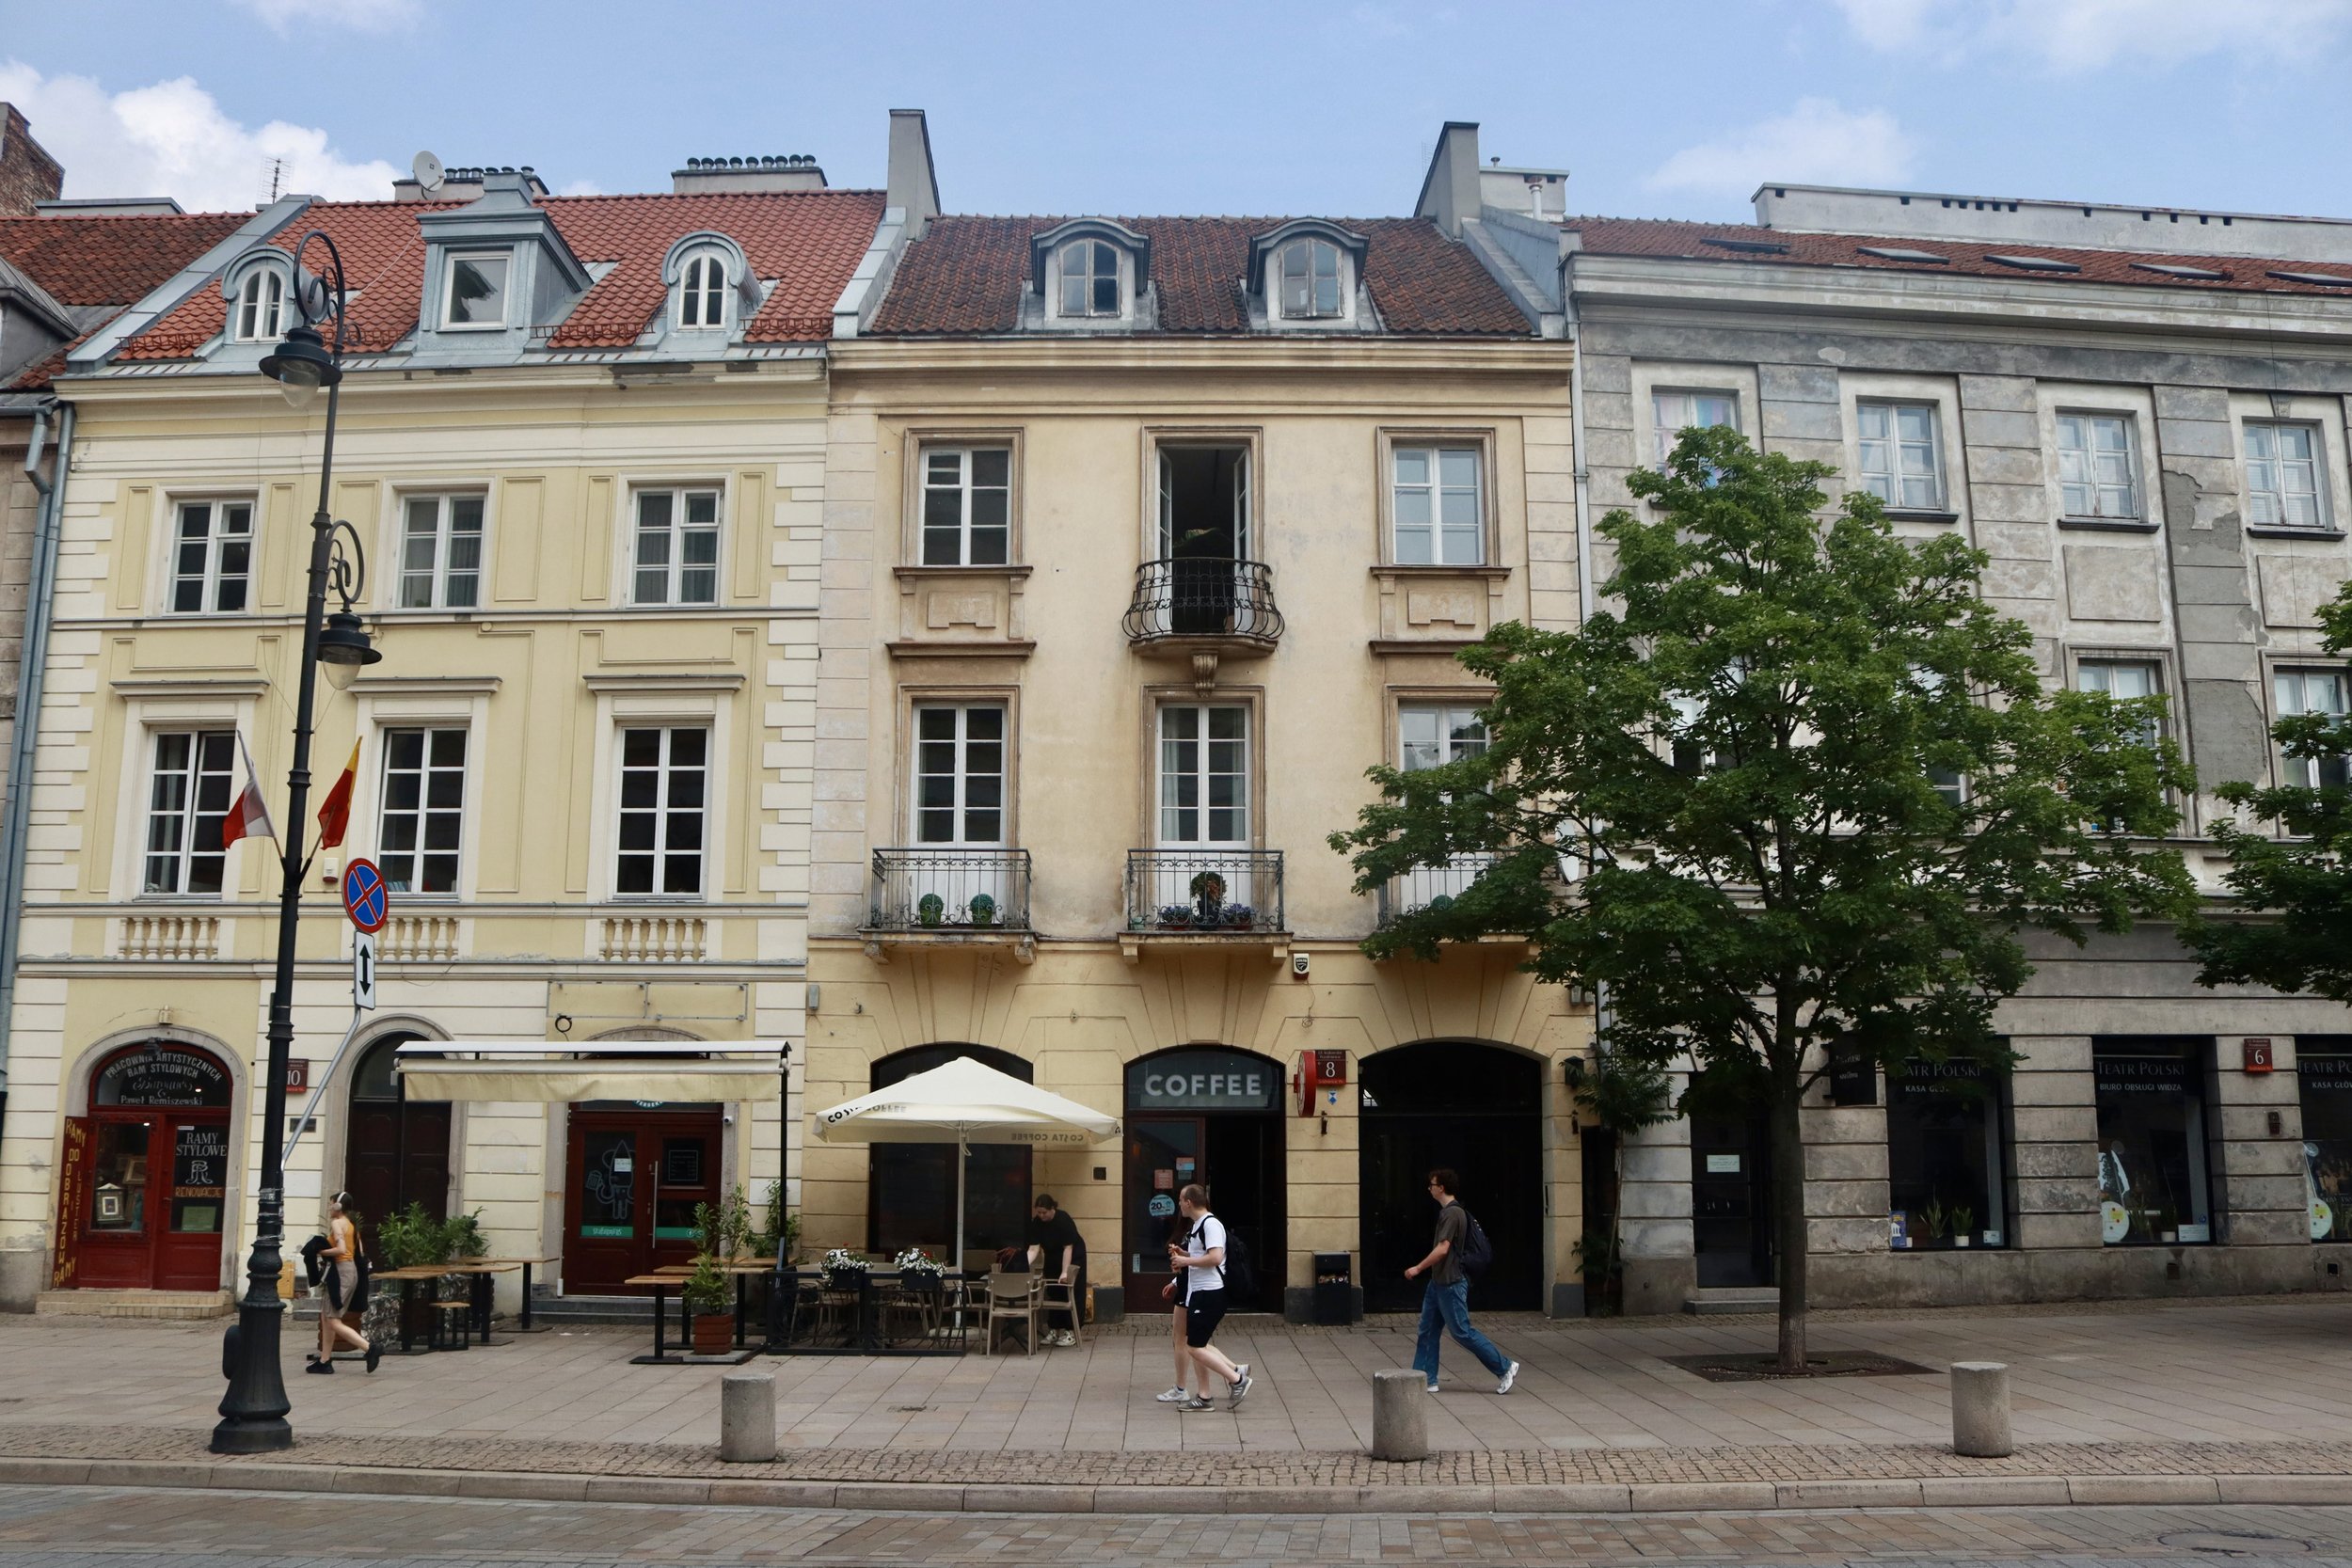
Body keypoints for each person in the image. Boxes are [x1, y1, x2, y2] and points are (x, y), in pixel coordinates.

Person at [1404, 1168, 1517, 1396]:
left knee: (1462, 1332)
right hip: (1439, 1282)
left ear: (1441, 1187)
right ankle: (1424, 1378)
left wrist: (1418, 1267)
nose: (1429, 1188)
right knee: (1427, 1330)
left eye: (1432, 1184)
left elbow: (1443, 1249)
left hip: (1450, 1281)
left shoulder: (1451, 1214)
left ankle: (1504, 1367)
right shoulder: (1452, 1212)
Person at [1167, 1183, 1251, 1411]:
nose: (1179, 1205)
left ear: (1189, 1202)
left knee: (1194, 1348)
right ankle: (1205, 1397)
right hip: (1200, 1293)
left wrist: (1186, 1261)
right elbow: (1203, 1255)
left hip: (1210, 1293)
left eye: (1181, 1200)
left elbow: (1215, 1257)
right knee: (1197, 1345)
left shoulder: (1211, 1224)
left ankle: (1237, 1380)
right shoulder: (1199, 1226)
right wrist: (1184, 1255)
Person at [310, 1191, 380, 1374]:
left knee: (333, 1319)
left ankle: (369, 1348)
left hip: (341, 1272)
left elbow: (340, 1249)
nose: (329, 1207)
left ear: (338, 1206)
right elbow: (359, 1251)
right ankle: (325, 1360)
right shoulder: (352, 1225)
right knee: (327, 1317)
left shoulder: (337, 1223)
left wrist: (320, 1252)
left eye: (331, 1203)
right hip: (349, 1272)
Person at [1025, 1194, 1087, 1347]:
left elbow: (1068, 1248)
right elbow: (1033, 1249)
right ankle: (1054, 1329)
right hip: (1052, 1256)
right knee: (1053, 1291)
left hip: (1073, 1256)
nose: (1041, 1215)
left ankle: (1070, 1332)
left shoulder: (1063, 1220)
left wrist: (1065, 1272)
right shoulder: (1037, 1223)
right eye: (1038, 1212)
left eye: (1044, 1212)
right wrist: (1022, 1265)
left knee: (1070, 1290)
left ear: (1053, 1209)